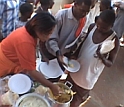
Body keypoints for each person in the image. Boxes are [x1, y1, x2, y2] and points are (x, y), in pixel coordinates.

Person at [65, 10, 120, 107]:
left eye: (103, 28)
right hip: (76, 70)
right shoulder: (92, 27)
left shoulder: (113, 40)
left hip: (87, 78)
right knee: (65, 94)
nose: (99, 28)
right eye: (98, 25)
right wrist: (74, 57)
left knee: (75, 102)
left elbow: (110, 63)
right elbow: (82, 45)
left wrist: (101, 56)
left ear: (111, 26)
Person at [0, 12, 60, 96]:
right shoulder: (25, 41)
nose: (49, 37)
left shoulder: (32, 33)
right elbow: (31, 71)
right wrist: (51, 86)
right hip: (4, 62)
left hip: (12, 59)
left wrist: (44, 56)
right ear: (39, 30)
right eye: (49, 33)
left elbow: (37, 45)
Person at [39, 0, 92, 82]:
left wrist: (71, 53)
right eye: (82, 10)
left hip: (63, 56)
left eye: (87, 12)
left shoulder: (84, 19)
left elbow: (78, 38)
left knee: (55, 79)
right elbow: (51, 38)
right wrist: (58, 52)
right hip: (51, 53)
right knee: (44, 77)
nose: (84, 14)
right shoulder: (62, 16)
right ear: (75, 5)